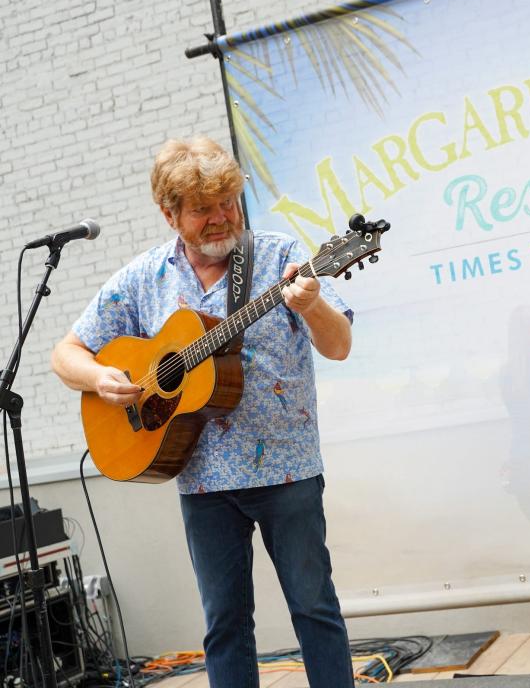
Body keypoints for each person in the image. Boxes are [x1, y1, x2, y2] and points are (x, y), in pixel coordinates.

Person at [51, 137, 355, 688]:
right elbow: (65, 354)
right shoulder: (145, 277)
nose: (221, 219)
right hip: (201, 480)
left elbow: (339, 346)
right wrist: (101, 377)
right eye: (203, 210)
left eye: (229, 204)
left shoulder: (282, 257)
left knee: (314, 609)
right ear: (169, 214)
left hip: (286, 470)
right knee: (224, 625)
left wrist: (311, 305)